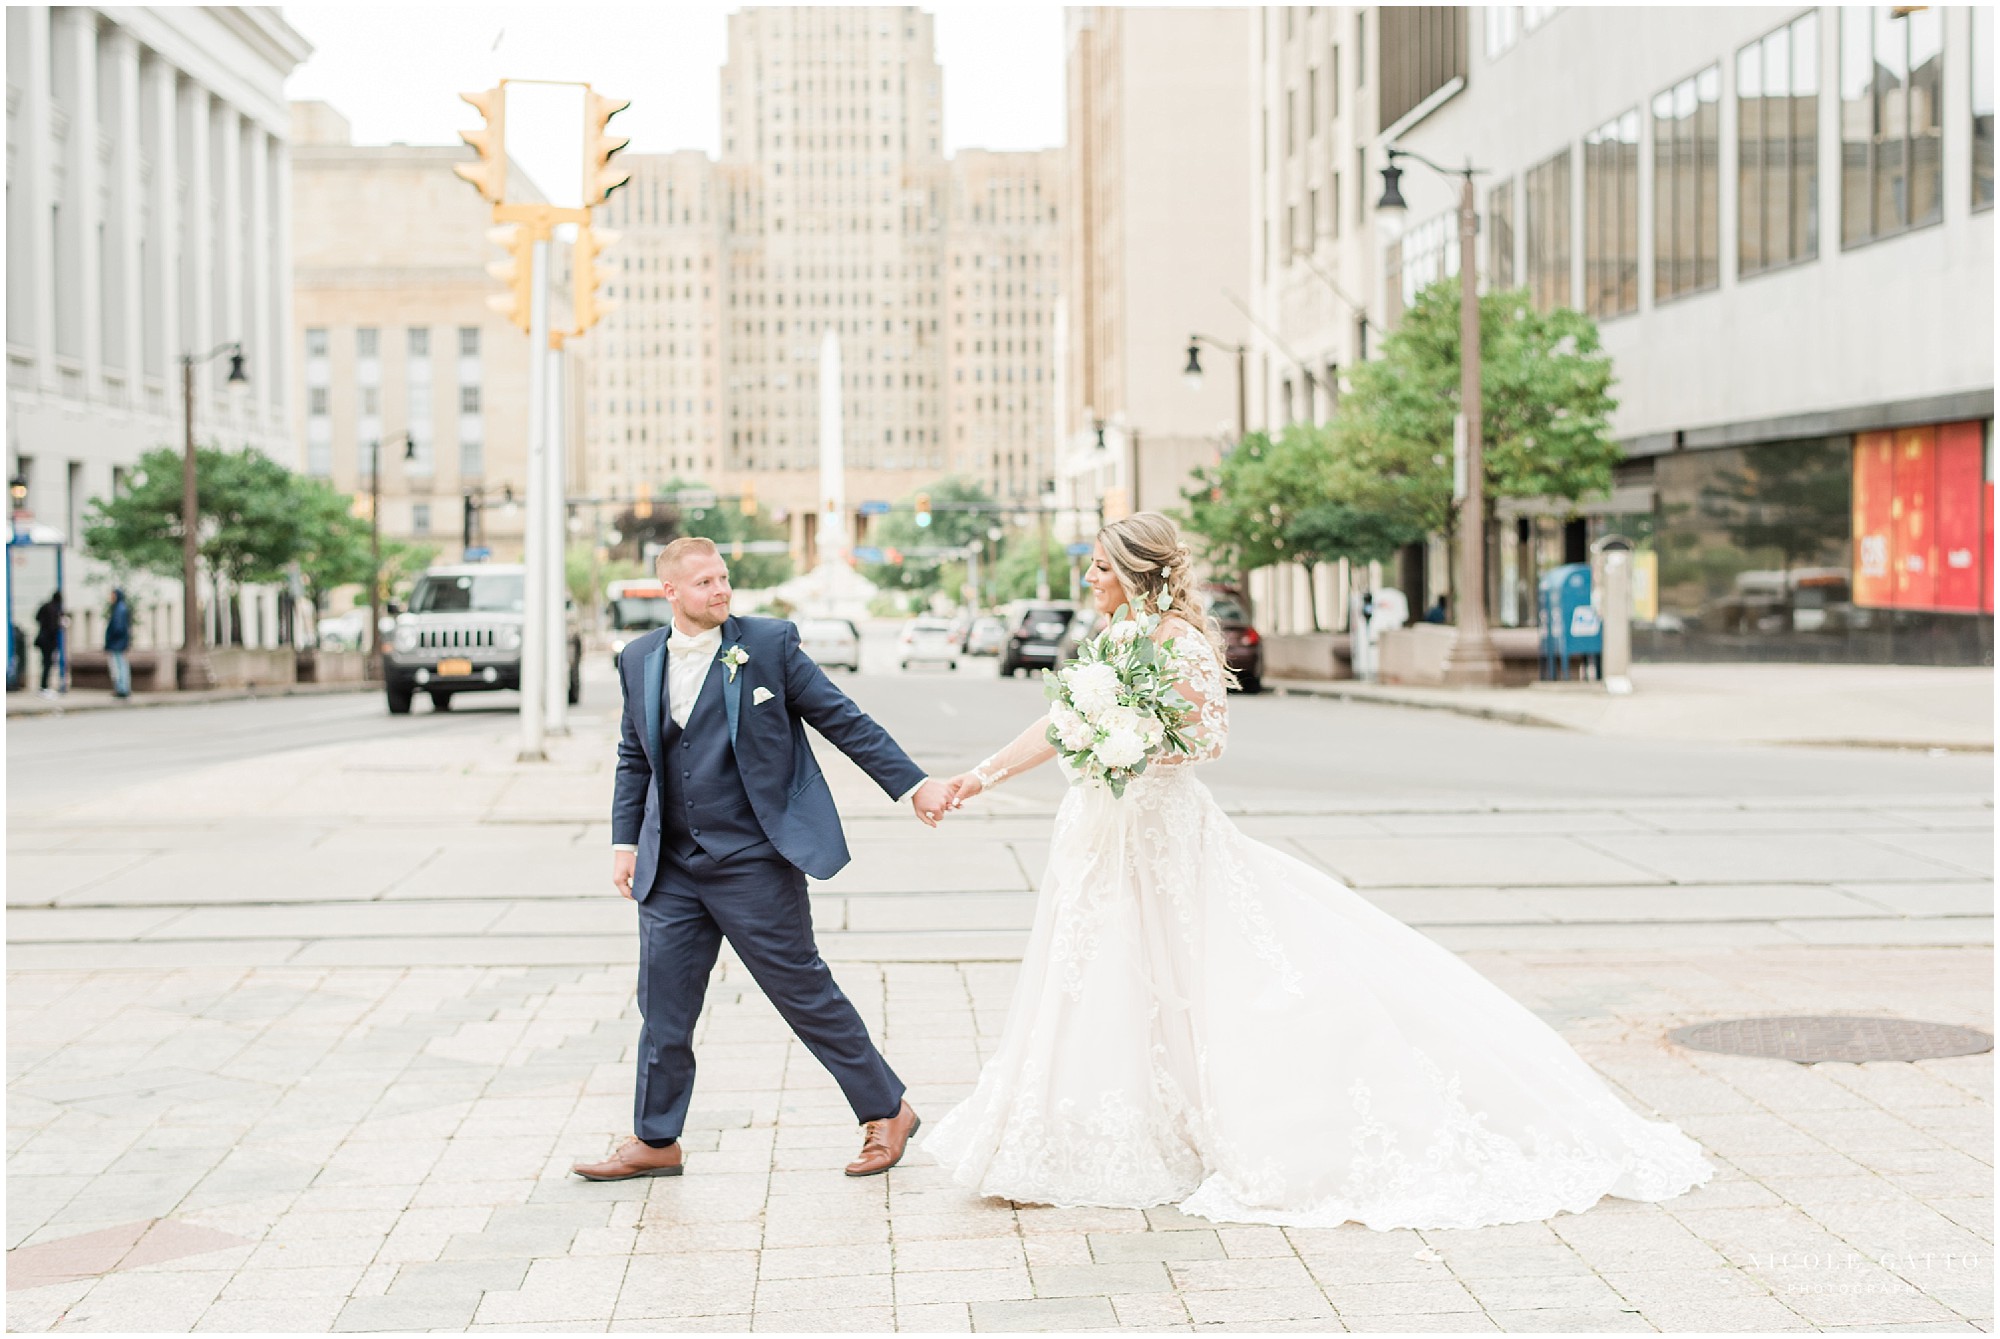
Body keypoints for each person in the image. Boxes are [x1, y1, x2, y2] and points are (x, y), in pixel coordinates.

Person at [921, 512, 1711, 1228]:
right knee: (1095, 972)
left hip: (1165, 833)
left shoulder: (1183, 643)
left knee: (1191, 972)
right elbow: (1061, 720)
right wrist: (975, 777)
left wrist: (1130, 740)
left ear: (1134, 571)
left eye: (1097, 567)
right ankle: (1081, 1129)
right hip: (1101, 833)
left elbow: (1209, 740)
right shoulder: (1115, 641)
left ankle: (1194, 1122)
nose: (1087, 580)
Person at [573, 537, 955, 1184]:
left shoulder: (770, 645)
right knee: (662, 1007)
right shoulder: (638, 658)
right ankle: (656, 1138)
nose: (720, 591)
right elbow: (635, 755)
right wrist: (624, 841)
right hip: (671, 866)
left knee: (803, 991)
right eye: (703, 583)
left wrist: (914, 784)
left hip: (754, 859)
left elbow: (845, 720)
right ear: (671, 592)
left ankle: (888, 1109)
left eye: (723, 578)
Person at [33, 592, 64, 696]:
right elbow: (53, 627)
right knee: (47, 663)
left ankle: (43, 686)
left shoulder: (45, 606)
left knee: (45, 663)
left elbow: (36, 618)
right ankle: (44, 687)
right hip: (48, 641)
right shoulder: (55, 609)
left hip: (42, 639)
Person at [105, 588, 133, 699]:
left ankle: (122, 689)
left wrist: (111, 638)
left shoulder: (119, 609)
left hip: (117, 643)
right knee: (120, 665)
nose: (110, 598)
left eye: (112, 595)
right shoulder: (120, 608)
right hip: (119, 642)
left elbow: (118, 627)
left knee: (119, 665)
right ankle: (122, 688)